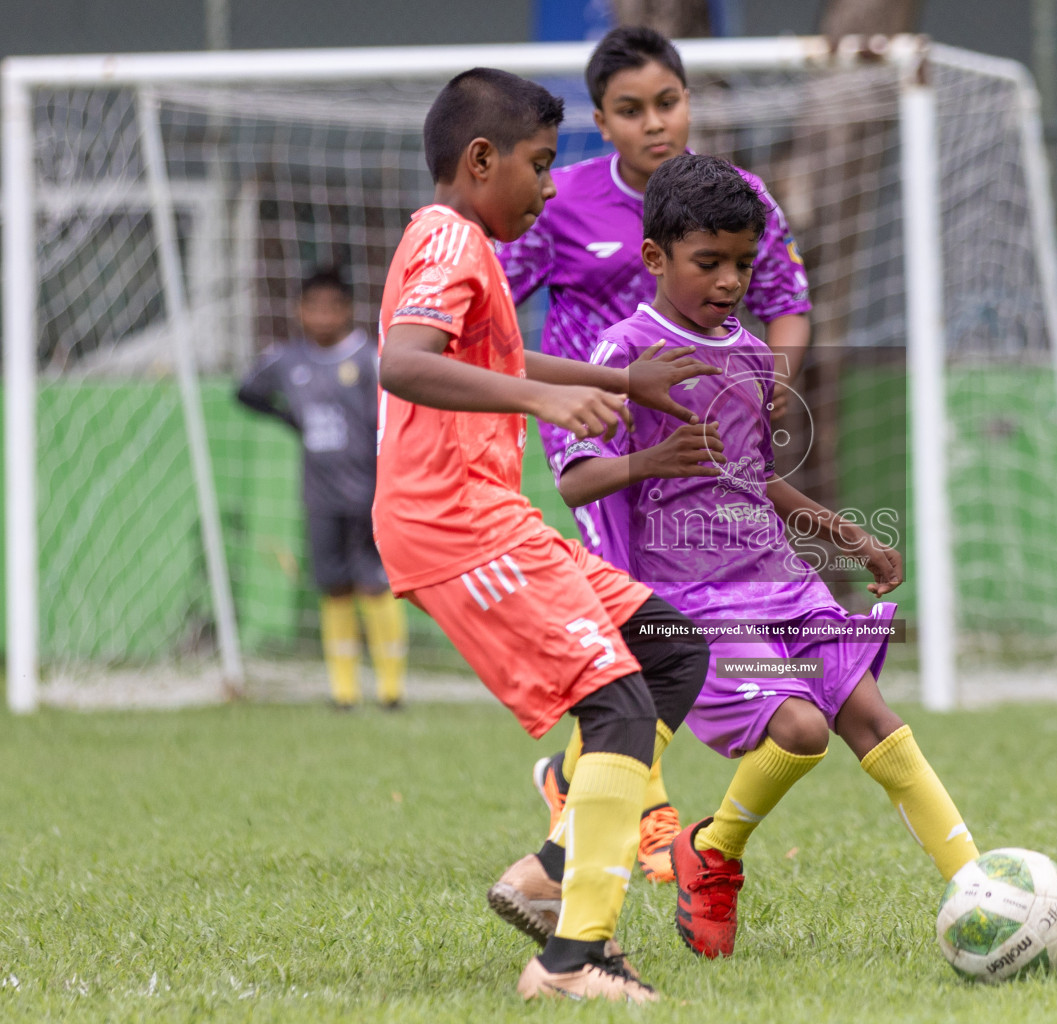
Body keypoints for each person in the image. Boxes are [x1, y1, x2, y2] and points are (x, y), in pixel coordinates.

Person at [552, 154, 980, 959]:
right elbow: (575, 483)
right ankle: (710, 852)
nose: (728, 281)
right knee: (798, 726)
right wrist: (648, 461)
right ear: (655, 258)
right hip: (693, 609)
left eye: (742, 264)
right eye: (707, 262)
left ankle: (980, 886)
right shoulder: (620, 355)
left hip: (784, 583)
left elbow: (754, 481)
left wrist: (845, 534)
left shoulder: (751, 355)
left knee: (871, 717)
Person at [372, 67, 717, 1002]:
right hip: (458, 528)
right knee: (616, 708)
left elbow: (499, 353)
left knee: (671, 651)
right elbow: (404, 363)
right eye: (538, 164)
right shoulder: (448, 240)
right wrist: (542, 398)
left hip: (491, 518)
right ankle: (573, 961)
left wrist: (617, 383)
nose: (552, 185)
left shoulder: (460, 243)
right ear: (480, 160)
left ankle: (549, 873)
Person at [498, 25, 814, 883]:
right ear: (600, 121)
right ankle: (649, 814)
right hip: (602, 433)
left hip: (705, 448)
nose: (654, 123)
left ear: (688, 101)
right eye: (630, 110)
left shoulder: (740, 195)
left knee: (659, 626)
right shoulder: (556, 203)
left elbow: (787, 300)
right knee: (641, 619)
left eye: (667, 102)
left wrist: (764, 390)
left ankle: (572, 779)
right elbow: (489, 314)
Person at [236, 268, 408, 710]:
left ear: (347, 310)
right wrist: (286, 419)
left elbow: (394, 414)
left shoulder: (369, 359)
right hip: (321, 495)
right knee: (334, 586)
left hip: (369, 494)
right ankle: (343, 691)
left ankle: (391, 689)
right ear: (299, 310)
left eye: (332, 307)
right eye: (313, 307)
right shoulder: (286, 360)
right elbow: (245, 393)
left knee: (375, 584)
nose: (322, 316)